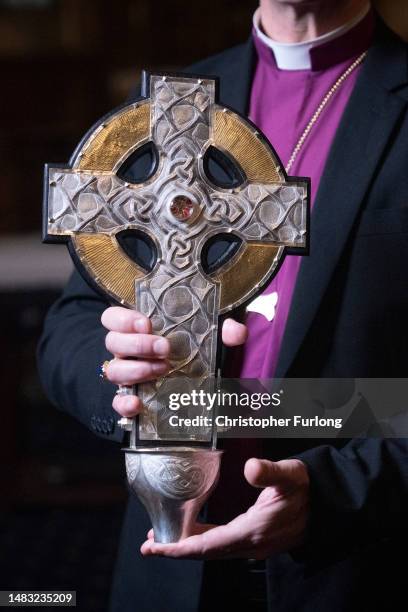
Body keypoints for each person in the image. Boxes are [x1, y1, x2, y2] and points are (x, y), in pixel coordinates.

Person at [38, 0, 408, 610]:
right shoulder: (170, 107)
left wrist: (336, 493)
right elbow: (70, 327)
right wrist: (119, 374)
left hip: (354, 563)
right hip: (167, 566)